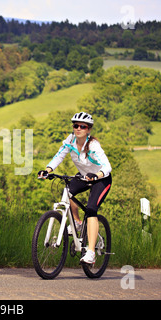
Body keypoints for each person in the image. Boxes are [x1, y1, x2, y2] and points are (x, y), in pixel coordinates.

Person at [38, 112, 112, 265]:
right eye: (75, 125)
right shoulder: (70, 140)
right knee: (67, 192)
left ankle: (91, 252)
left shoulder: (93, 145)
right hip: (83, 176)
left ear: (88, 129)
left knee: (91, 209)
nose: (78, 128)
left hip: (101, 179)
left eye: (82, 126)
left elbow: (107, 166)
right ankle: (77, 223)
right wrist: (48, 170)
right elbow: (59, 155)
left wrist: (96, 175)